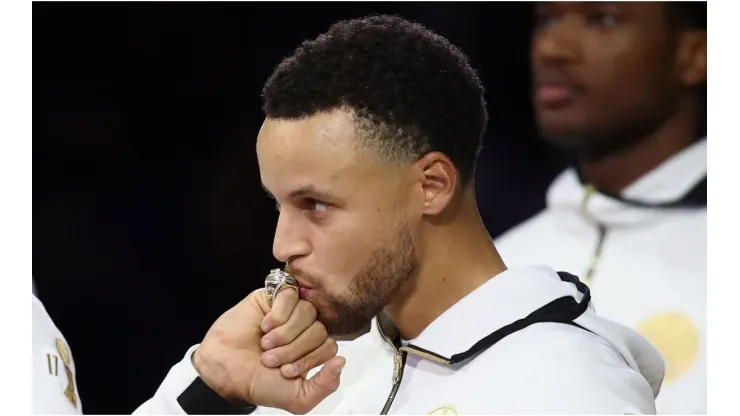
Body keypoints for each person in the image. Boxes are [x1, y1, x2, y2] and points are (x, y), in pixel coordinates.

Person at [129, 15, 663, 415]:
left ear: (432, 185)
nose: (282, 245)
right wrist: (211, 385)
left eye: (315, 204)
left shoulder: (564, 389)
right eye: (279, 204)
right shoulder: (296, 378)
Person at [493, 2, 706, 414]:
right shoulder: (497, 264)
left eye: (602, 19)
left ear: (696, 55)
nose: (551, 48)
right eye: (547, 20)